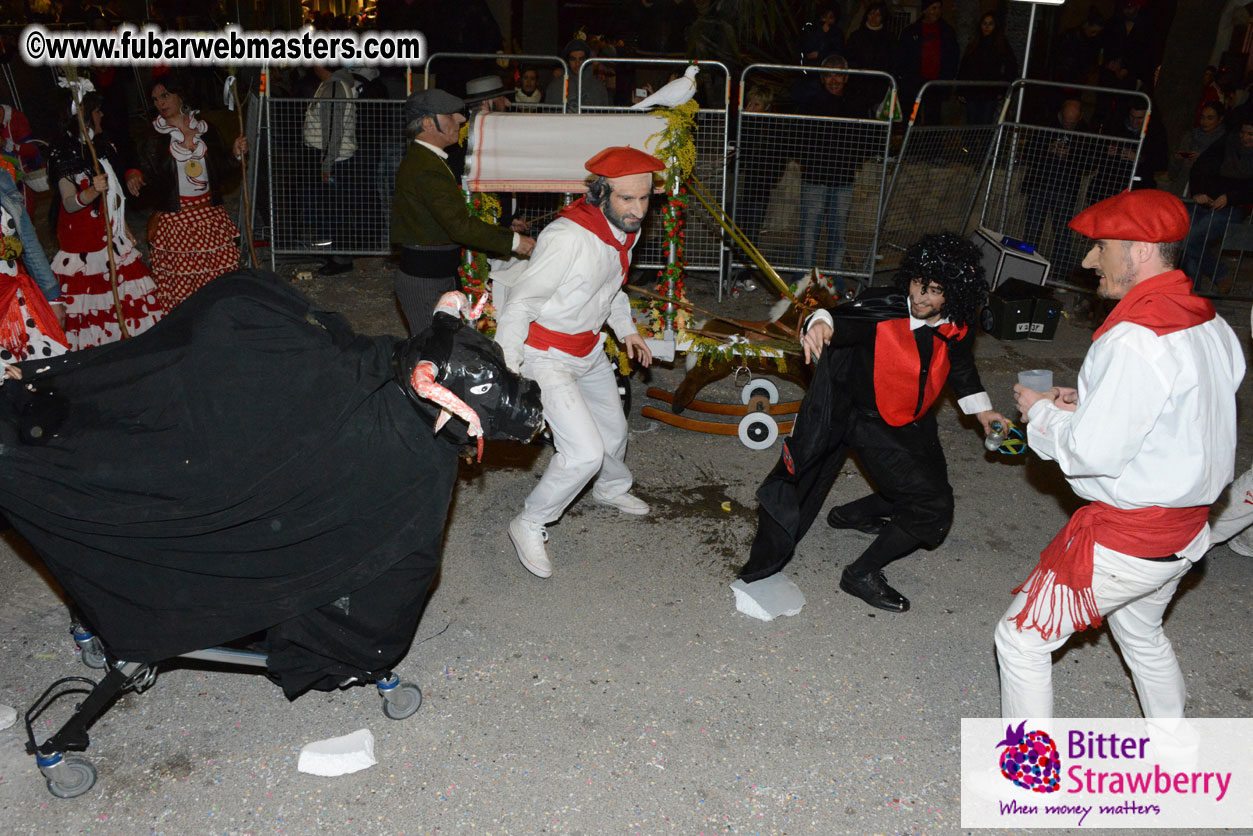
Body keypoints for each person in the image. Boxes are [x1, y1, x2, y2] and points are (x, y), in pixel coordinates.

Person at [996, 189, 1244, 719]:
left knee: (1021, 640)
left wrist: (1042, 414)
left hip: (1131, 540)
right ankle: (1173, 749)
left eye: (1100, 246)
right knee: (1140, 632)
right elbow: (1186, 409)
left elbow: (1090, 455)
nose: (1088, 261)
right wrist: (1088, 402)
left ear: (1139, 250)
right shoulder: (1211, 323)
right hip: (1186, 530)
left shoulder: (1133, 337)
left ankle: (1028, 779)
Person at [737, 232, 1009, 612]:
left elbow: (961, 369)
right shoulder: (885, 310)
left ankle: (850, 514)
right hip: (868, 421)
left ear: (955, 294)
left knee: (926, 482)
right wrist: (820, 324)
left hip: (917, 421)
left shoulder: (958, 323)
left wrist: (984, 412)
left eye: (933, 291)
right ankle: (860, 573)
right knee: (933, 508)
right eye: (917, 282)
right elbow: (841, 318)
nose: (919, 296)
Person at [493, 146, 661, 580]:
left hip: (587, 347)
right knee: (584, 452)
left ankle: (611, 488)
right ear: (601, 192)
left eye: (645, 199)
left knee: (614, 430)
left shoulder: (624, 230)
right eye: (627, 198)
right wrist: (508, 371)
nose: (638, 210)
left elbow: (610, 289)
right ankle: (529, 521)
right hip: (545, 353)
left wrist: (627, 330)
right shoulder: (567, 237)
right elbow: (520, 304)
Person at [389, 88, 534, 335]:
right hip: (426, 279)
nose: (461, 119)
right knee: (431, 355)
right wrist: (514, 241)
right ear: (427, 123)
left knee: (443, 351)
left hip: (433, 274)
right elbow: (458, 225)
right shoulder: (426, 167)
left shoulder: (429, 160)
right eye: (450, 115)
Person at [46, 92, 164, 350]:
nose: (101, 115)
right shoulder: (64, 153)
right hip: (86, 247)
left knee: (126, 302)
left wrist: (124, 228)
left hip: (112, 239)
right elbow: (68, 202)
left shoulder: (102, 147)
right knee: (96, 308)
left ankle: (128, 348)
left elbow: (114, 198)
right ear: (82, 115)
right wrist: (90, 192)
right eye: (96, 111)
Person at [132, 74, 247, 311]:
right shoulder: (154, 137)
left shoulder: (206, 129)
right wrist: (134, 176)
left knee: (217, 278)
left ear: (179, 95)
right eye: (155, 100)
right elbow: (146, 171)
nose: (161, 103)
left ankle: (220, 321)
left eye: (165, 95)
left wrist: (236, 154)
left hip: (209, 216)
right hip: (176, 221)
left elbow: (223, 170)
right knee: (183, 284)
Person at [791, 55, 859, 274]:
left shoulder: (854, 104)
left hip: (844, 178)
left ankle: (833, 278)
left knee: (837, 232)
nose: (833, 80)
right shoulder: (810, 104)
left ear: (846, 77)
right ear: (822, 78)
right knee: (809, 232)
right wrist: (806, 161)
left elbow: (865, 137)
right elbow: (798, 136)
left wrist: (855, 160)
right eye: (829, 74)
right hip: (815, 177)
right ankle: (804, 278)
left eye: (838, 74)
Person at [0, 160, 68, 365]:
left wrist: (53, 297)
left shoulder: (2, 177)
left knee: (40, 373)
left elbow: (28, 243)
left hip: (14, 301)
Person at [1021, 99, 1092, 279]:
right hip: (1040, 184)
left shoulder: (1085, 131)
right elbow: (1030, 150)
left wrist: (1071, 155)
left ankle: (1059, 274)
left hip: (1066, 188)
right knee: (1032, 230)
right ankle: (1025, 268)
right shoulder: (1046, 124)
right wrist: (1049, 148)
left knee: (1062, 233)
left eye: (1072, 123)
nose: (1069, 126)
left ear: (1079, 118)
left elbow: (1089, 160)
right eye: (1066, 122)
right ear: (1060, 115)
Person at [1180, 115, 1253, 288]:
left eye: (1251, 135)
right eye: (1243, 133)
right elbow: (1201, 166)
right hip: (1206, 200)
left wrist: (1229, 198)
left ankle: (1212, 277)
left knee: (1190, 241)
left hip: (1233, 207)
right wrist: (1198, 191)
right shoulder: (1227, 143)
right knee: (1183, 237)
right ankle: (1194, 290)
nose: (1245, 138)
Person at [304, 64, 362, 276]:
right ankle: (335, 254)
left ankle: (340, 259)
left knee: (336, 211)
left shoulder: (335, 87)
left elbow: (333, 130)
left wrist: (327, 164)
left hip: (335, 159)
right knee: (333, 209)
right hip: (334, 157)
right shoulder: (333, 85)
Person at [896, 0, 959, 125]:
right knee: (912, 117)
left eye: (939, 8)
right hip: (914, 83)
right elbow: (902, 56)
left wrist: (947, 79)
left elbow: (953, 57)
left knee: (933, 117)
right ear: (925, 10)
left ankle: (932, 143)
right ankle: (911, 142)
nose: (936, 12)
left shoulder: (947, 31)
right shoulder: (911, 31)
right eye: (933, 8)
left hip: (936, 83)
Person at [957, 13, 1017, 125]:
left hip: (990, 92)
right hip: (973, 91)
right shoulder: (974, 44)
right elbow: (964, 67)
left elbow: (1011, 67)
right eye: (984, 24)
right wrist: (960, 89)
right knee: (971, 123)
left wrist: (1002, 89)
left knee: (986, 123)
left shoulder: (1001, 45)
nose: (987, 27)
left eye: (990, 24)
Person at [1170, 101, 1227, 193]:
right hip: (1181, 188)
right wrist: (1177, 159)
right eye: (1202, 117)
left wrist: (1202, 160)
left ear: (1220, 119)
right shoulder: (1190, 136)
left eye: (1210, 118)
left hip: (1205, 192)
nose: (1205, 122)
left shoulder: (1224, 141)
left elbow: (1224, 171)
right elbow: (1174, 172)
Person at [545, 39, 610, 112]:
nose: (577, 63)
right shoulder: (555, 86)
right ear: (567, 61)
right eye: (573, 59)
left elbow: (604, 116)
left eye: (581, 59)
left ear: (586, 60)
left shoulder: (598, 87)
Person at [845, 2, 894, 78]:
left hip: (880, 79)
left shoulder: (889, 38)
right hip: (858, 78)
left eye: (878, 15)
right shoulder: (856, 36)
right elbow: (849, 57)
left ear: (883, 17)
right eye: (871, 14)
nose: (873, 18)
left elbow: (892, 61)